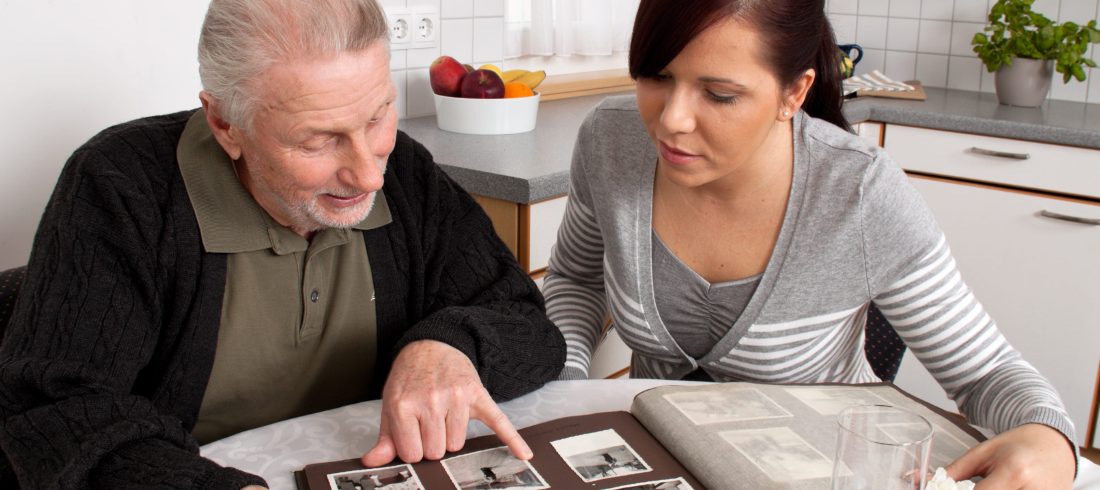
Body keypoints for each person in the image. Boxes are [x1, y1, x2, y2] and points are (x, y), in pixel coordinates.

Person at [0, 0, 565, 488]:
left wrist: (448, 347)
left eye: (377, 117)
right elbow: (55, 412)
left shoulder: (407, 176)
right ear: (226, 125)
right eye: (319, 140)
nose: (369, 175)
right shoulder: (120, 187)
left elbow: (529, 327)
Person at [542, 0, 1077, 487]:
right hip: (652, 465)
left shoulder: (860, 192)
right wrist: (564, 388)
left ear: (793, 93)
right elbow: (577, 278)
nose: (672, 120)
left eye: (720, 94)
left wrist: (1050, 440)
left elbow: (985, 372)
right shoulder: (610, 141)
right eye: (656, 76)